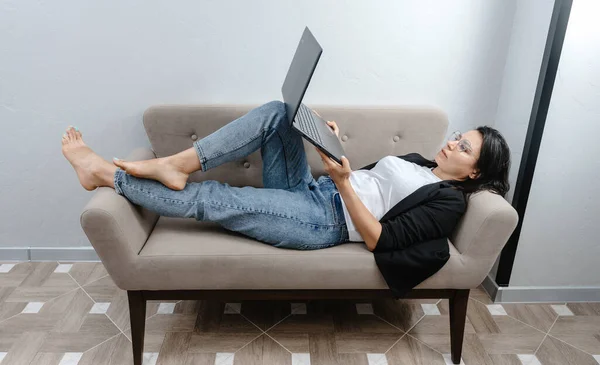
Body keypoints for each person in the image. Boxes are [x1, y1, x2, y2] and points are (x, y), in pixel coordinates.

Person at [62, 100, 510, 297]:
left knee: (216, 198)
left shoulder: (449, 201)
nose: (452, 144)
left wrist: (342, 183)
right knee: (282, 112)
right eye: (457, 137)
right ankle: (178, 163)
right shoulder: (418, 162)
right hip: (315, 192)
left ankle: (104, 174)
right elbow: (365, 183)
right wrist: (327, 146)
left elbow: (378, 238)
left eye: (464, 148)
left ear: (474, 172)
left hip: (322, 222)